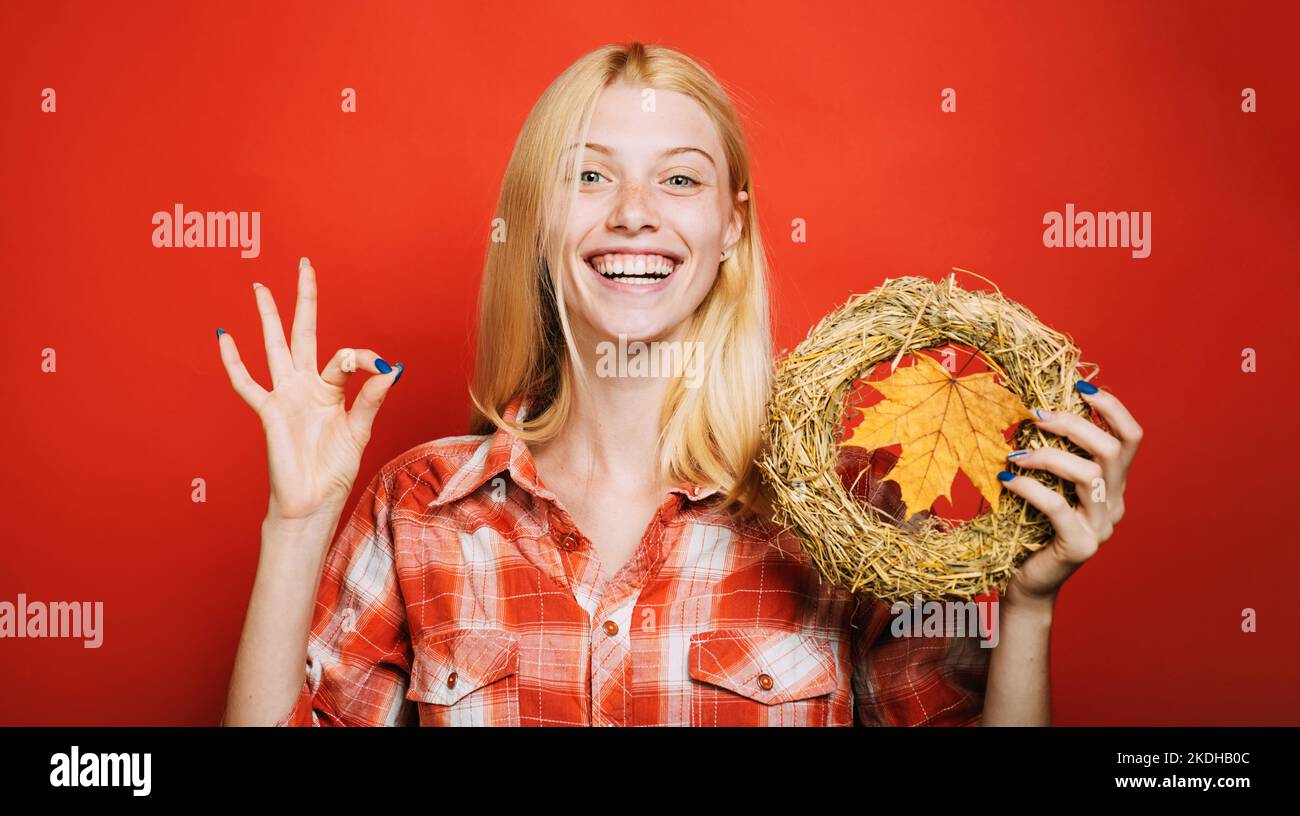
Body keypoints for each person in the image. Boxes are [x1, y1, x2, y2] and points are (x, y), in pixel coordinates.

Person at [218, 42, 1143, 727]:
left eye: (678, 179)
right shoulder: (418, 508)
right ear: (537, 222)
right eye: (589, 176)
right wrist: (296, 526)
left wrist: (1027, 605)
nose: (633, 214)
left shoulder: (848, 519)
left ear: (731, 225)